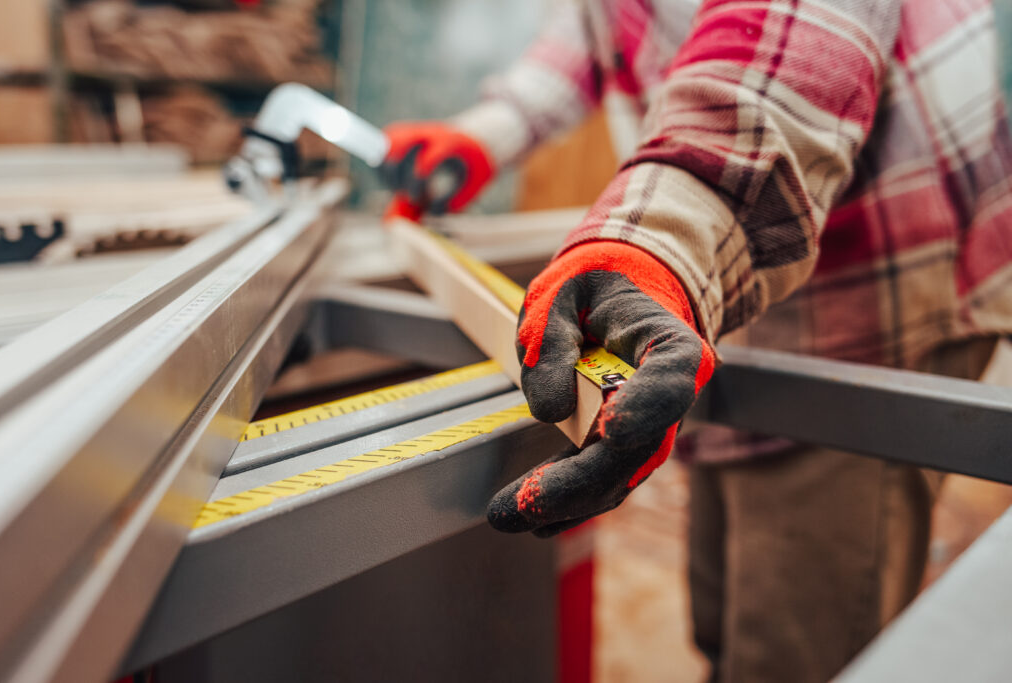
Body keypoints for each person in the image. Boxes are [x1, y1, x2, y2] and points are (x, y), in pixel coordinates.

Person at [380, 1, 1012, 681]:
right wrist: (487, 133)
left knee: (792, 645)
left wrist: (654, 249)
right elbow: (595, 28)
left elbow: (783, 56)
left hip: (878, 294)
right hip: (755, 277)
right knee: (720, 613)